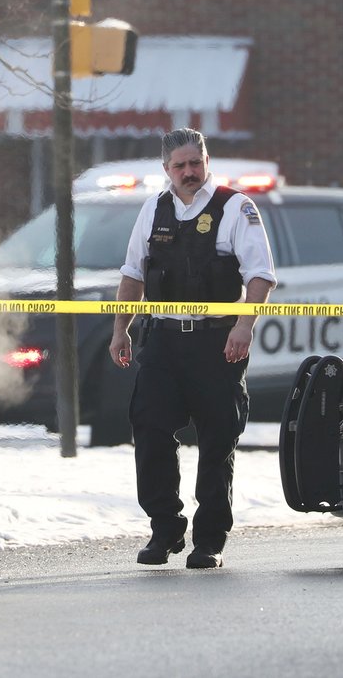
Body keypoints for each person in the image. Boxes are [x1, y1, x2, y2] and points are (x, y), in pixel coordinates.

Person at [109, 128, 277, 570]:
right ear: (166, 169)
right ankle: (165, 529)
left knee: (218, 438)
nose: (189, 173)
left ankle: (210, 539)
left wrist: (244, 326)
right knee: (149, 429)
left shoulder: (234, 207)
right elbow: (133, 275)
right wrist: (119, 330)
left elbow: (259, 275)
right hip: (162, 339)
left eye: (195, 163)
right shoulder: (154, 210)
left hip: (216, 340)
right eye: (180, 166)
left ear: (207, 162)